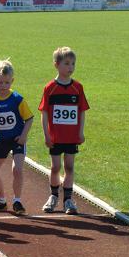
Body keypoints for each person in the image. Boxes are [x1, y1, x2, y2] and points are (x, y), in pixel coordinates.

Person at [0, 60, 34, 215]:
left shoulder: (17, 99)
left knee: (17, 169)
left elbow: (29, 118)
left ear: (12, 81)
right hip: (1, 140)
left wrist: (23, 136)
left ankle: (17, 201)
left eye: (7, 83)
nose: (3, 86)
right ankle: (1, 200)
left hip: (17, 139)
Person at [39, 47, 90, 214]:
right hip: (56, 136)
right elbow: (44, 113)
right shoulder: (50, 88)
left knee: (69, 166)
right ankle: (53, 196)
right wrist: (47, 135)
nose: (71, 67)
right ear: (56, 65)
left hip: (71, 136)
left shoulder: (78, 88)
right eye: (67, 63)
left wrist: (81, 132)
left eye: (73, 64)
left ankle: (68, 200)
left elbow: (82, 111)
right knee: (55, 167)